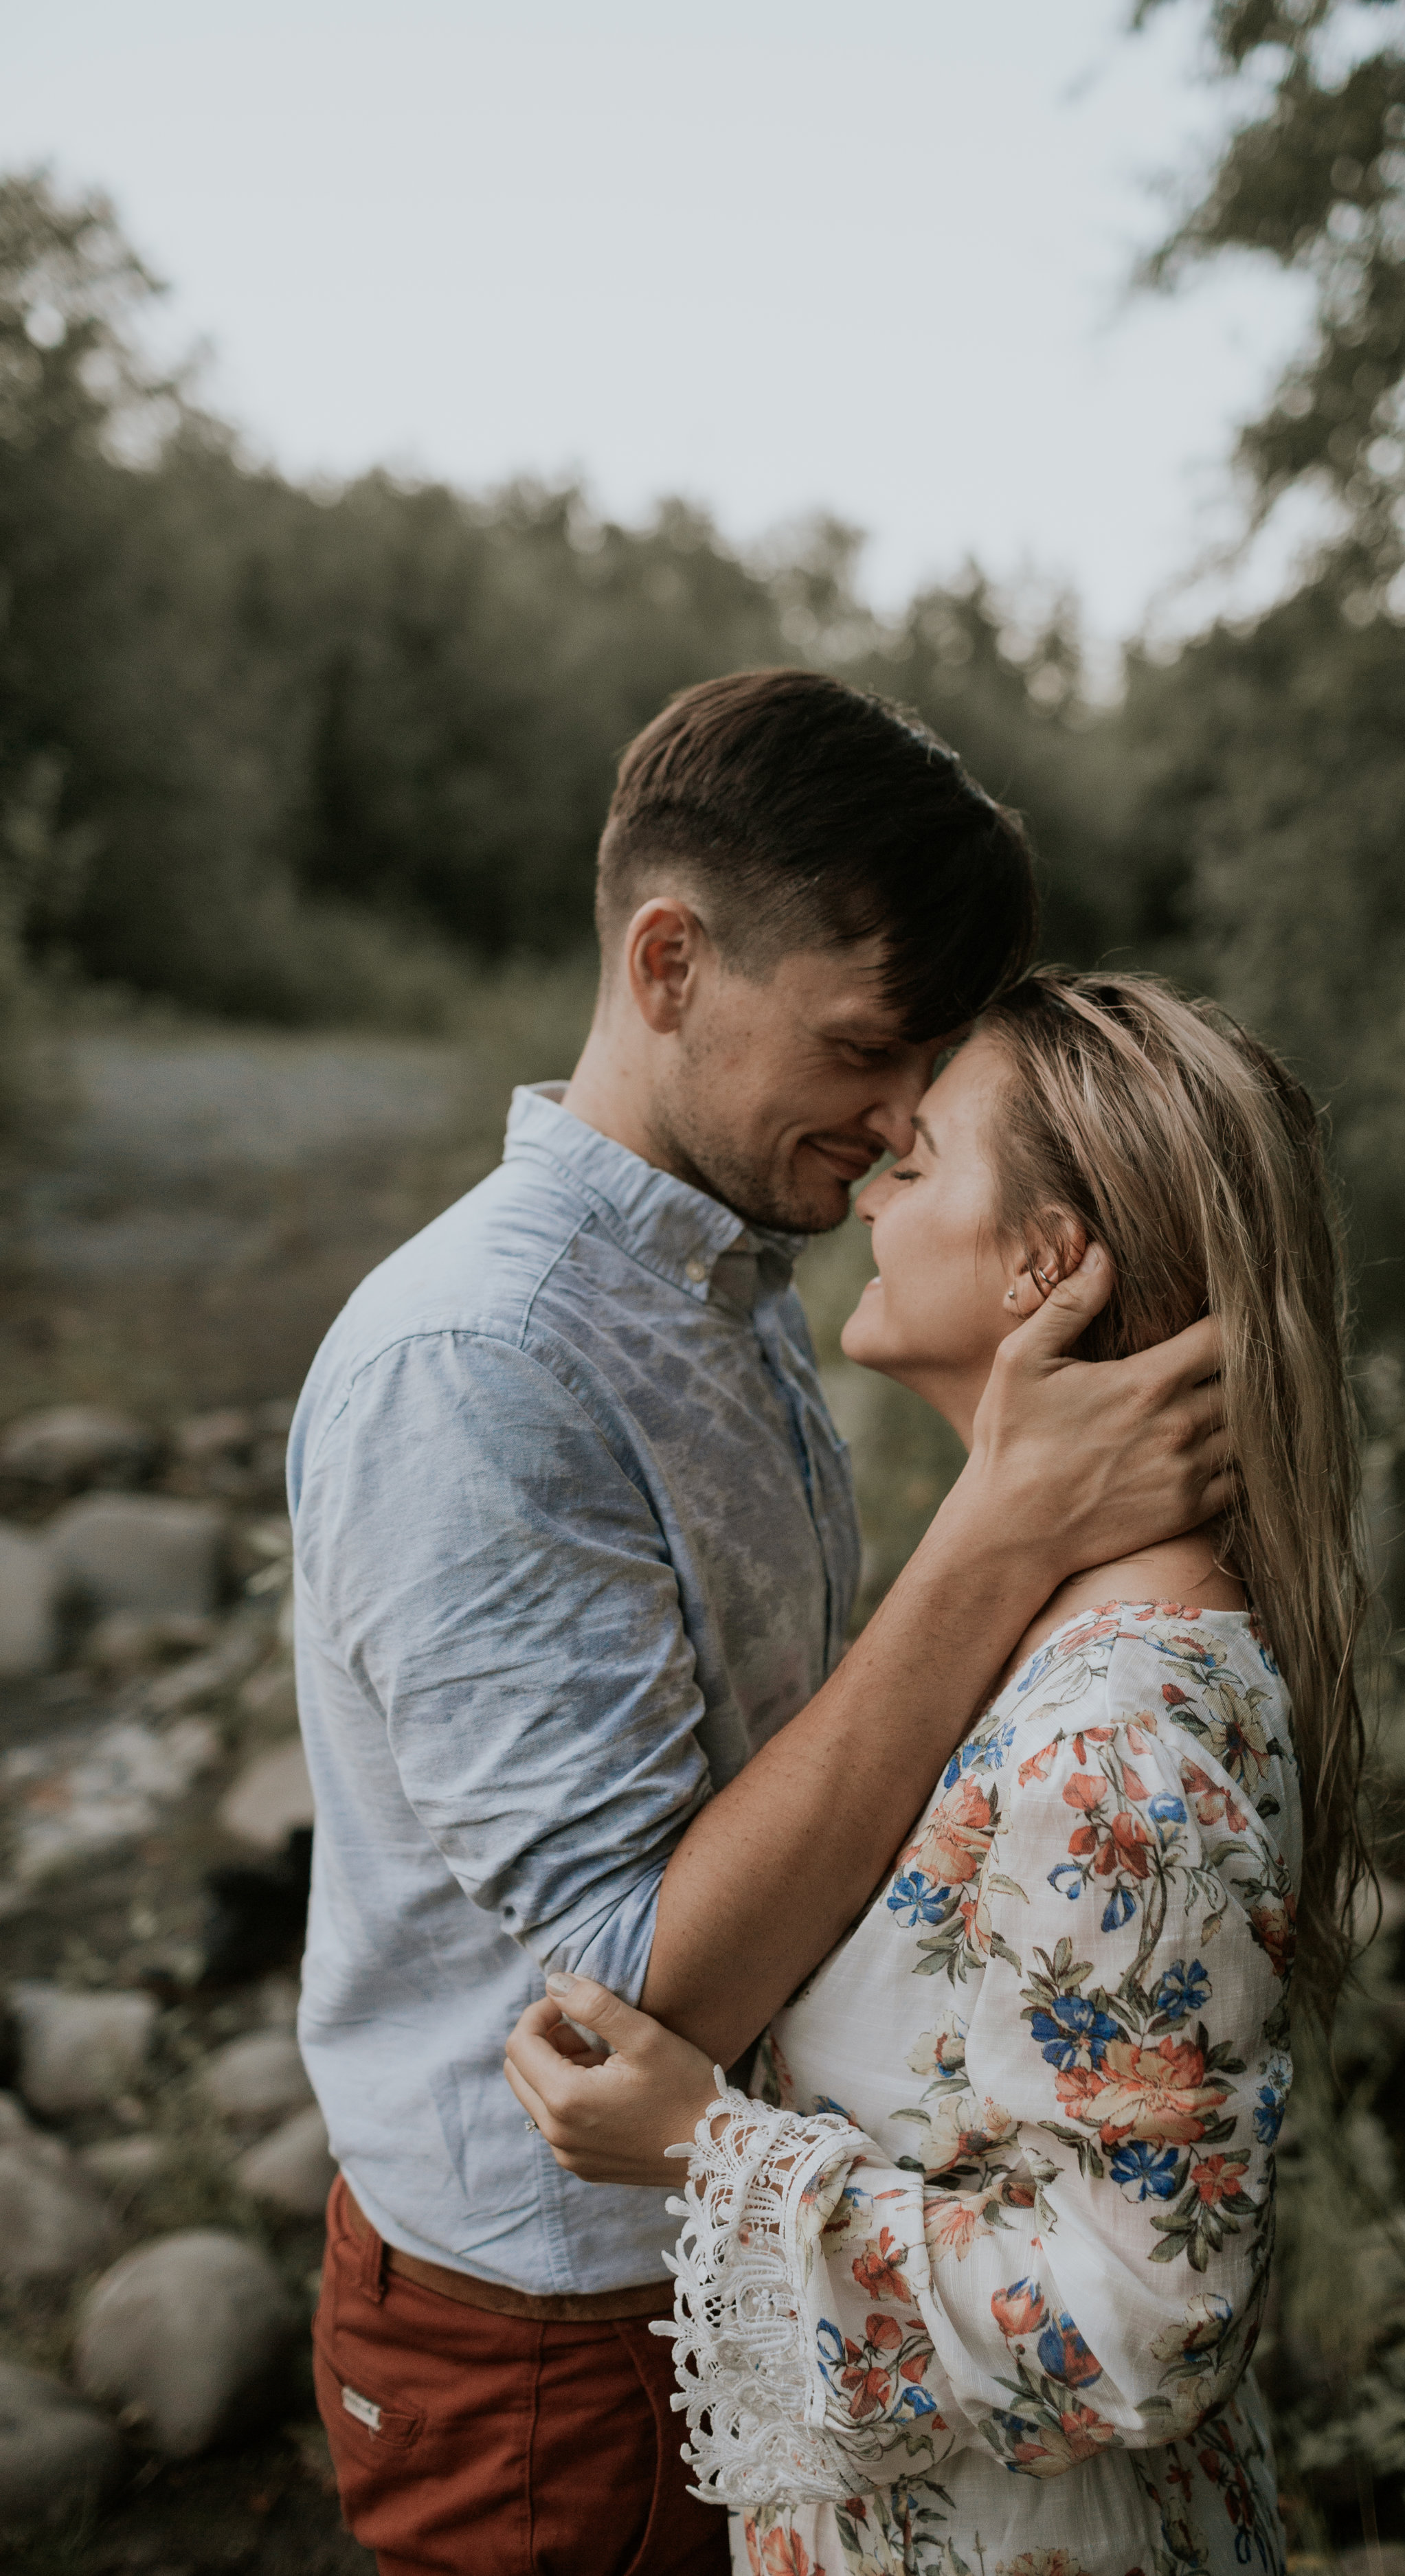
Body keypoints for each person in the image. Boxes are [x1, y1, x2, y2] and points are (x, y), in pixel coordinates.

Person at [291, 673, 1233, 2576]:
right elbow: (635, 1985)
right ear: (666, 961)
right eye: (868, 1047)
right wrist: (1003, 1527)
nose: (900, 1123)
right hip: (559, 2333)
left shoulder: (725, 1271)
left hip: (750, 2250)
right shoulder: (480, 1363)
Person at [506, 967, 1369, 2576]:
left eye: (916, 1165)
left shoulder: (1118, 1737)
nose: (868, 1200)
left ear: (1043, 1263)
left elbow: (1140, 2327)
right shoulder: (1060, 1639)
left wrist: (707, 2143)